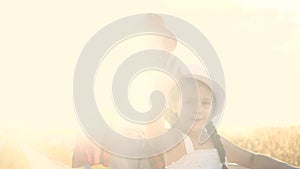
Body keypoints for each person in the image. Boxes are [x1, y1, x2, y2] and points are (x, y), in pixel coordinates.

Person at [161, 65, 300, 169]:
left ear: (212, 108)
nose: (198, 110)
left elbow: (252, 159)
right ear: (173, 105)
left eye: (205, 103)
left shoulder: (216, 142)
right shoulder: (170, 139)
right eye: (190, 102)